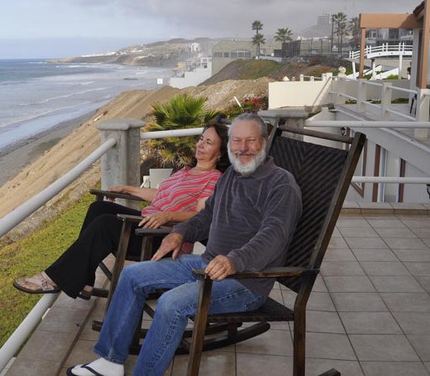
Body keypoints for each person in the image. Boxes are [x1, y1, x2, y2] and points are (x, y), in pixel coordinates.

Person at [66, 113, 303, 376]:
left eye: (250, 140)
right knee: (132, 275)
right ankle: (110, 362)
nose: (243, 148)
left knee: (171, 304)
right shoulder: (231, 176)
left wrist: (234, 260)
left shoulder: (280, 184)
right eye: (237, 141)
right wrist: (180, 233)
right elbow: (206, 216)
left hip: (245, 280)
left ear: (265, 141)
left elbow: (274, 235)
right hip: (206, 264)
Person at [13, 122, 231, 300]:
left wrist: (168, 216)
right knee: (98, 208)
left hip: (162, 238)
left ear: (220, 153)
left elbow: (202, 215)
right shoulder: (186, 170)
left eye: (209, 142)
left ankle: (52, 278)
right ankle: (85, 281)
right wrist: (127, 189)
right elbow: (160, 196)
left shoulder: (213, 179)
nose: (200, 144)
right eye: (201, 138)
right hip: (148, 223)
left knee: (105, 224)